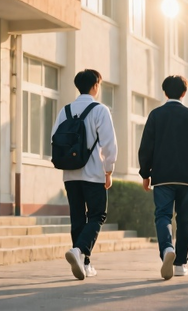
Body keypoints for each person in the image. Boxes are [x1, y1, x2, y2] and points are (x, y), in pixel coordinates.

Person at [139, 75, 188, 280]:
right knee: (184, 221)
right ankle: (180, 264)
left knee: (163, 216)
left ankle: (167, 249)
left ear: (164, 92)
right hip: (187, 178)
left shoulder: (155, 115)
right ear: (184, 93)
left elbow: (146, 147)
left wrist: (145, 173)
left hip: (162, 177)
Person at [52, 69, 117, 281]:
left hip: (70, 174)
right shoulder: (100, 110)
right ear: (95, 85)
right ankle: (79, 251)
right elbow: (109, 144)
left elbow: (55, 138)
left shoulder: (65, 110)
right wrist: (109, 169)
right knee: (97, 215)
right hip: (94, 173)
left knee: (78, 217)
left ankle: (85, 263)